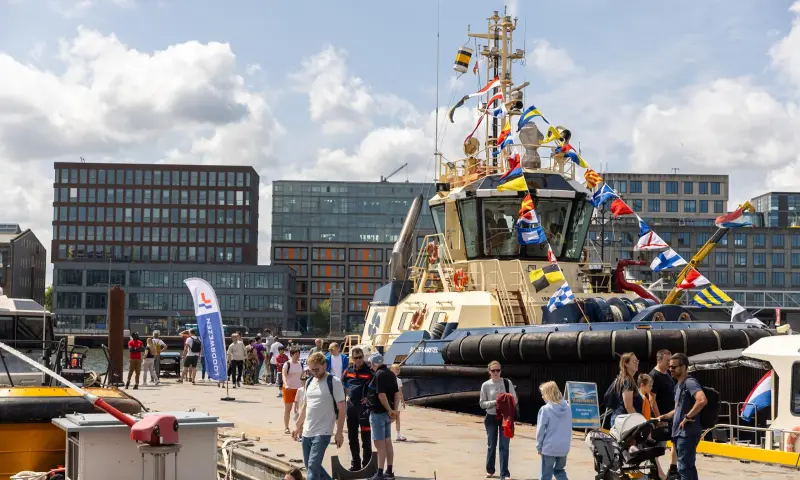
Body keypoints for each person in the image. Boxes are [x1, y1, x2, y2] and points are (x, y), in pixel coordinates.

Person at [292, 352, 346, 480]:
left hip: (323, 431)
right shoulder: (309, 381)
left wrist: (339, 432)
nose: (315, 372)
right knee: (310, 465)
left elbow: (342, 408)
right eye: (312, 370)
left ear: (324, 365)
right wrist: (298, 426)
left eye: (317, 369)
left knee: (312, 465)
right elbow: (305, 405)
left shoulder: (334, 382)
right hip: (307, 431)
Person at [657, 353, 707, 480]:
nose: (670, 370)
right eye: (670, 367)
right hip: (679, 433)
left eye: (674, 367)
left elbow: (702, 400)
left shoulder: (690, 382)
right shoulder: (678, 386)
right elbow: (677, 409)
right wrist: (663, 416)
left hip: (687, 433)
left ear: (684, 367)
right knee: (685, 467)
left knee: (684, 468)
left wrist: (687, 417)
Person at [478, 360, 517, 480]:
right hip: (491, 417)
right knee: (491, 444)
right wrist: (496, 401)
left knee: (504, 446)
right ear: (489, 371)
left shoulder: (507, 382)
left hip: (505, 417)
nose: (496, 373)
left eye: (498, 370)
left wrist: (506, 399)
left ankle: (504, 473)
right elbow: (482, 404)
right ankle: (490, 469)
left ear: (501, 370)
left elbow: (515, 399)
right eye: (493, 370)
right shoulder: (486, 385)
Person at [366, 353, 400, 480]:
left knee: (379, 445)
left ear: (374, 364)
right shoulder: (391, 374)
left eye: (370, 364)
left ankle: (380, 473)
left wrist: (389, 409)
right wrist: (394, 411)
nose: (370, 366)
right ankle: (389, 471)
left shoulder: (379, 375)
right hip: (387, 415)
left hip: (378, 414)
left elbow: (381, 395)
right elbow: (396, 394)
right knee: (388, 443)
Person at [343, 347, 374, 471]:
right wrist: (345, 394)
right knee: (352, 436)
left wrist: (368, 398)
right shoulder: (348, 370)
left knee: (366, 437)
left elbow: (376, 386)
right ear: (352, 358)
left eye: (360, 357)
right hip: (351, 406)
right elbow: (342, 382)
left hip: (364, 408)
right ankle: (355, 463)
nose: (359, 360)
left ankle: (367, 464)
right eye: (356, 358)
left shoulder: (369, 370)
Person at [650, 349, 678, 478]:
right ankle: (656, 472)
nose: (670, 364)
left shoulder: (667, 374)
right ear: (659, 360)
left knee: (675, 441)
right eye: (667, 361)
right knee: (658, 447)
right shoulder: (654, 376)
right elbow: (652, 399)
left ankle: (672, 469)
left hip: (671, 415)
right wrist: (658, 418)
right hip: (661, 418)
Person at [536, 381, 571, 480]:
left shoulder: (545, 409)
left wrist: (539, 446)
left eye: (543, 394)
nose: (542, 397)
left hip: (549, 447)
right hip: (564, 447)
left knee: (546, 474)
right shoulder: (568, 408)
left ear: (548, 394)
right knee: (559, 471)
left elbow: (540, 430)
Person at [609, 352, 642, 426]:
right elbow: (628, 406)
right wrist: (639, 423)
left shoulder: (623, 378)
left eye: (637, 361)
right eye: (634, 361)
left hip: (621, 420)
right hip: (624, 422)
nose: (637, 363)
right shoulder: (628, 381)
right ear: (626, 364)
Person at [282, 347, 303, 434]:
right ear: (291, 354)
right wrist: (286, 384)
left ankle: (299, 427)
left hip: (299, 389)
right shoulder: (287, 364)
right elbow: (283, 375)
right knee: (288, 409)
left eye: (298, 354)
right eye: (296, 354)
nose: (297, 356)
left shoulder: (300, 364)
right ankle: (286, 427)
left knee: (300, 410)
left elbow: (303, 376)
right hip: (289, 389)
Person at [389, 364, 407, 442]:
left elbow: (400, 392)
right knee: (394, 417)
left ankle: (397, 434)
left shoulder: (392, 379)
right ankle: (396, 434)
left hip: (393, 400)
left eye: (398, 370)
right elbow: (400, 392)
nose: (397, 371)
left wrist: (402, 401)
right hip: (393, 400)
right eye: (396, 369)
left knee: (396, 417)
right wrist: (402, 401)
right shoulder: (396, 380)